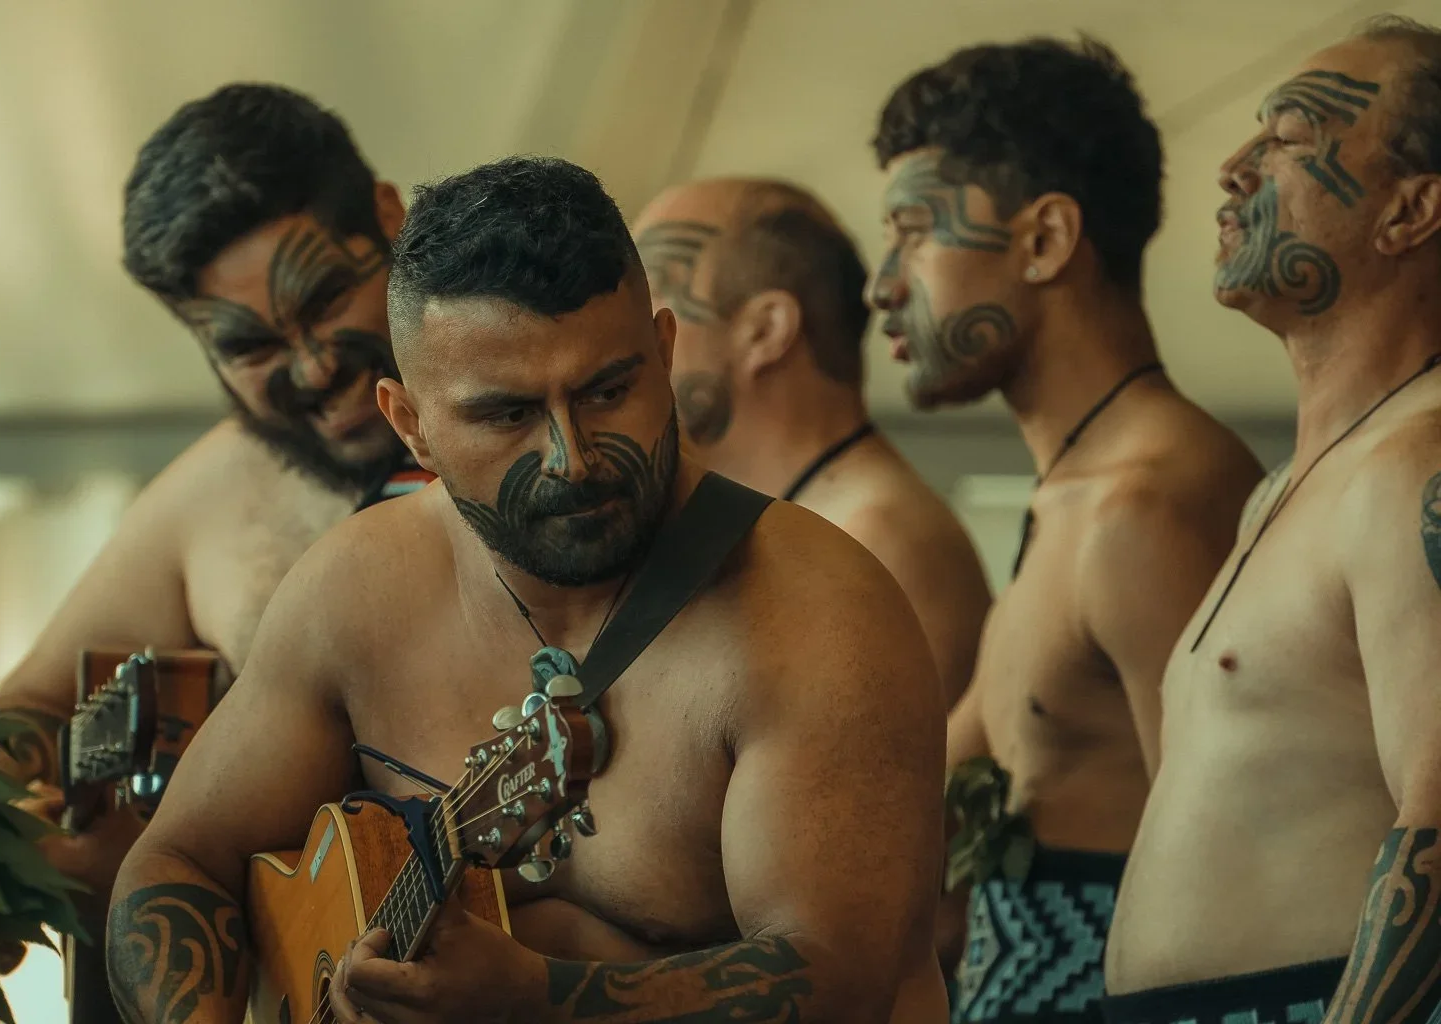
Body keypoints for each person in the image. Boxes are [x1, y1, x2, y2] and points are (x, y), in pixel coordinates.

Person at [107, 155, 949, 1024]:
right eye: (506, 414)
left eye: (608, 391)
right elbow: (176, 865)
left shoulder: (816, 613)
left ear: (664, 355)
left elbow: (838, 981)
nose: (571, 457)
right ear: (412, 425)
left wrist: (541, 999)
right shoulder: (356, 588)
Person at [0, 83, 426, 1013]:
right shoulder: (210, 493)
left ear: (389, 215)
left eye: (328, 298)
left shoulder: (545, 424)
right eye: (251, 346)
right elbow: (28, 704)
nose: (312, 367)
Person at [865, 37, 1264, 1019]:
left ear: (1042, 240)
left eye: (913, 233)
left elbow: (1237, 887)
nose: (881, 284)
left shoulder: (1145, 507)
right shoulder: (1071, 499)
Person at [1105, 17, 1441, 1023]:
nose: (1227, 167)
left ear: (1410, 209)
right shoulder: (1283, 492)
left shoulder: (1415, 466)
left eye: (1286, 139)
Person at [633, 178, 991, 707]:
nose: (632, 342)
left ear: (765, 331)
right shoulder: (801, 520)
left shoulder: (876, 541)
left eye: (654, 301)